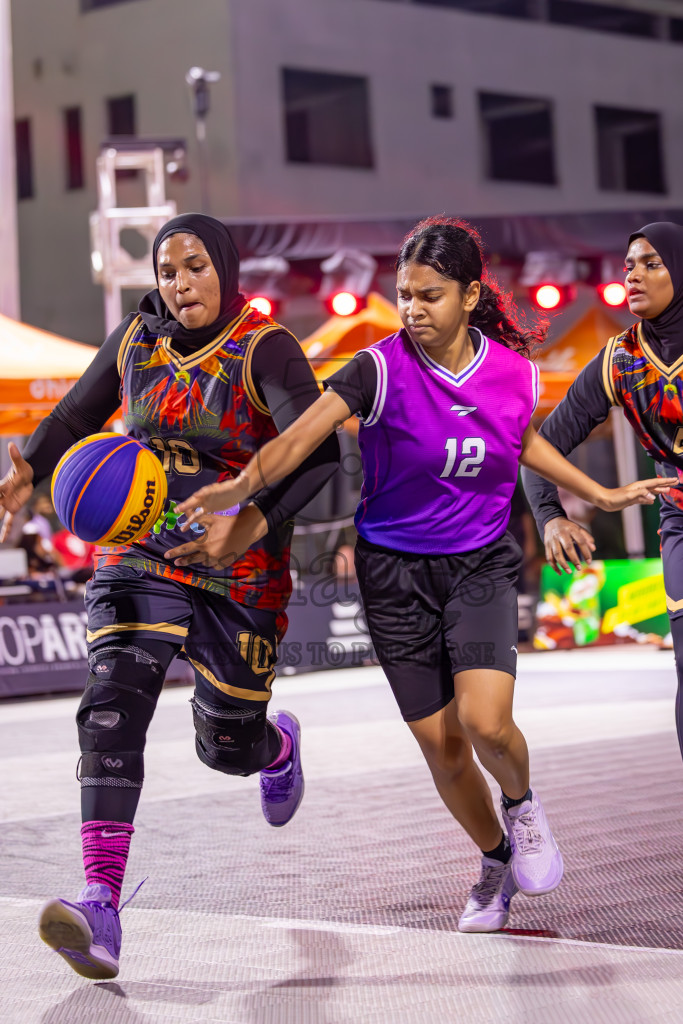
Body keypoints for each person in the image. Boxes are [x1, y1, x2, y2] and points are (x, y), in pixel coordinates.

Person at [170, 217, 673, 934]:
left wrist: (595, 494)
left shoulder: (513, 371)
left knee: (484, 724)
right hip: (393, 574)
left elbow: (519, 437)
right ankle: (494, 861)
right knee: (441, 748)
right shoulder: (375, 368)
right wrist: (239, 491)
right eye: (404, 294)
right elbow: (300, 438)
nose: (412, 308)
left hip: (477, 564)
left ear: (469, 296)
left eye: (429, 295)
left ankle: (522, 807)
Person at [0, 213, 339, 979]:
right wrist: (28, 471)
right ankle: (100, 907)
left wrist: (248, 521)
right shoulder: (135, 340)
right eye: (165, 271)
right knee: (111, 704)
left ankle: (272, 745)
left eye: (193, 267)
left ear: (224, 268)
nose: (179, 283)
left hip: (239, 567)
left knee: (227, 748)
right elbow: (78, 414)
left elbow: (321, 460)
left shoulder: (267, 350)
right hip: (141, 549)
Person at [522, 221, 683, 754]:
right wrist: (551, 516)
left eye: (651, 263)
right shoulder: (619, 360)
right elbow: (538, 449)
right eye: (629, 264)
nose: (633, 274)